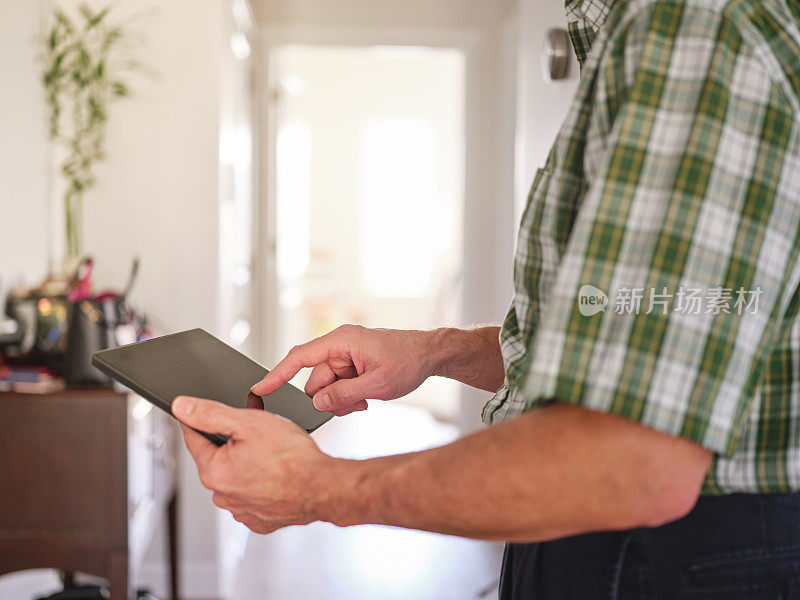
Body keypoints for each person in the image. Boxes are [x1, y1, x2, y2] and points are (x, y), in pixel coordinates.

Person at [174, 0, 800, 596]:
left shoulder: (699, 25)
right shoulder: (650, 32)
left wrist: (316, 487)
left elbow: (633, 460)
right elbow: (632, 357)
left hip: (678, 558)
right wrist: (436, 352)